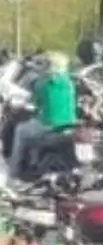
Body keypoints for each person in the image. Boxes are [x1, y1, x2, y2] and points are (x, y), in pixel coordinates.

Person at [8, 51, 76, 179]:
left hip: (49, 124)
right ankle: (34, 161)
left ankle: (14, 173)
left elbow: (33, 102)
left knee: (20, 130)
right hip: (69, 124)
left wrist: (22, 104)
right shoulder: (69, 83)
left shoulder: (44, 82)